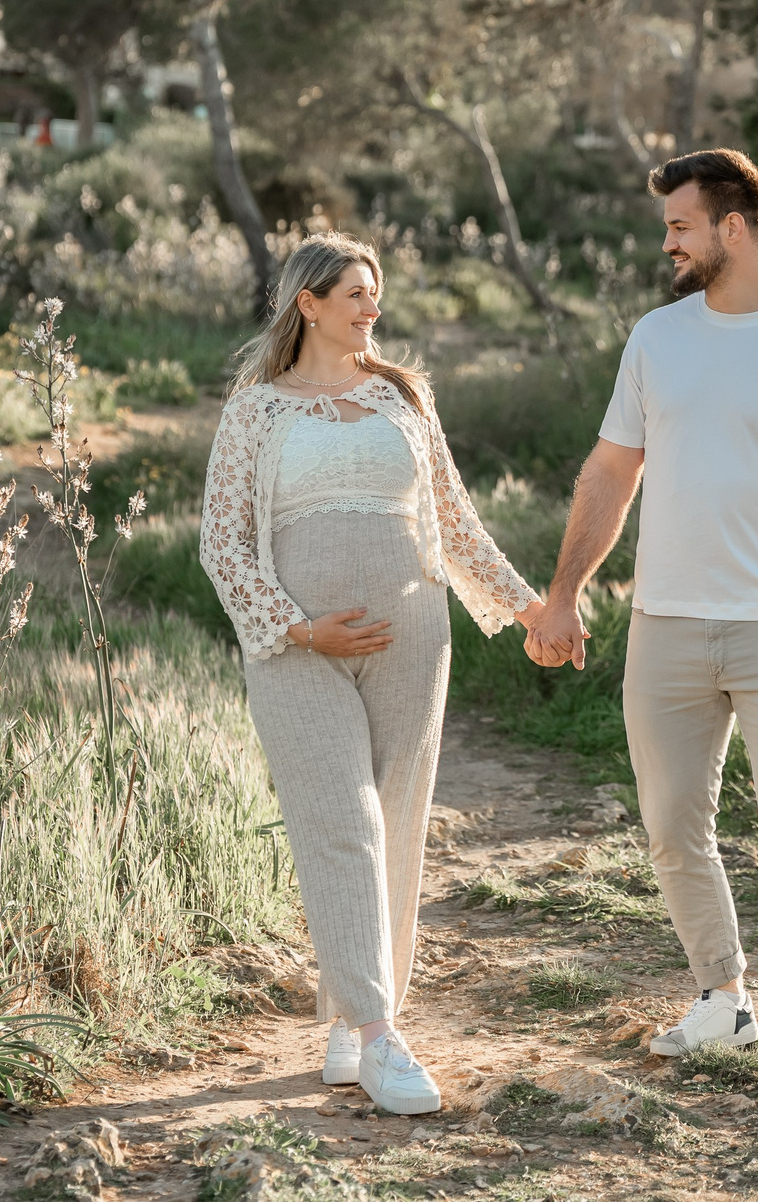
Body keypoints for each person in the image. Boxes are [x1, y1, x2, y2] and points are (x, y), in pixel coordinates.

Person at [525, 149, 758, 1108]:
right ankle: (723, 995)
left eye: (680, 226)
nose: (668, 244)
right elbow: (610, 472)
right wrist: (563, 594)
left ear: (734, 225)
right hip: (667, 623)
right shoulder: (657, 337)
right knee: (672, 825)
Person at [199, 232, 545, 1116]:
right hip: (297, 648)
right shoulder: (254, 411)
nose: (371, 307)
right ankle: (384, 1034)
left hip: (413, 636)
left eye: (375, 291)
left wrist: (529, 608)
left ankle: (353, 1016)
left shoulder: (403, 396)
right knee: (341, 819)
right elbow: (222, 543)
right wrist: (299, 627)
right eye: (354, 292)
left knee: (394, 821)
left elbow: (455, 523)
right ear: (308, 302)